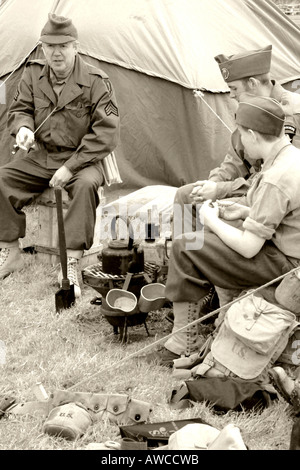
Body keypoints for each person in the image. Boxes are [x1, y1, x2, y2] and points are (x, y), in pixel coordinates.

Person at [145, 94, 300, 366]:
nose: (240, 142)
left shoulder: (276, 176)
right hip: (288, 252)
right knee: (206, 236)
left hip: (288, 267)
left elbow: (249, 247)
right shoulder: (291, 158)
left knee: (186, 246)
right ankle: (218, 313)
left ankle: (185, 340)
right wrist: (244, 212)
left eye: (241, 134)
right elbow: (285, 216)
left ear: (252, 134)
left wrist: (210, 219)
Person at [0, 13, 120, 296]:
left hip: (83, 159)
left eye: (63, 46)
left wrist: (70, 167)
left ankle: (71, 263)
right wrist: (23, 130)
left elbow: (106, 134)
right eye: (50, 46)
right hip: (42, 156)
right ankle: (10, 251)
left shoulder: (96, 81)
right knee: (2, 178)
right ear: (42, 48)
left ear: (75, 47)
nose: (56, 53)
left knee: (87, 185)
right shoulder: (32, 74)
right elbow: (18, 111)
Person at [173, 45, 300, 239]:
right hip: (255, 191)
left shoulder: (293, 112)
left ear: (252, 83)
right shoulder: (250, 109)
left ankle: (199, 254)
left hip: (277, 202)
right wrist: (212, 184)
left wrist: (221, 190)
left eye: (234, 88)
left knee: (216, 218)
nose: (231, 95)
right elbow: (234, 160)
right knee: (187, 195)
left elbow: (280, 183)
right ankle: (184, 251)